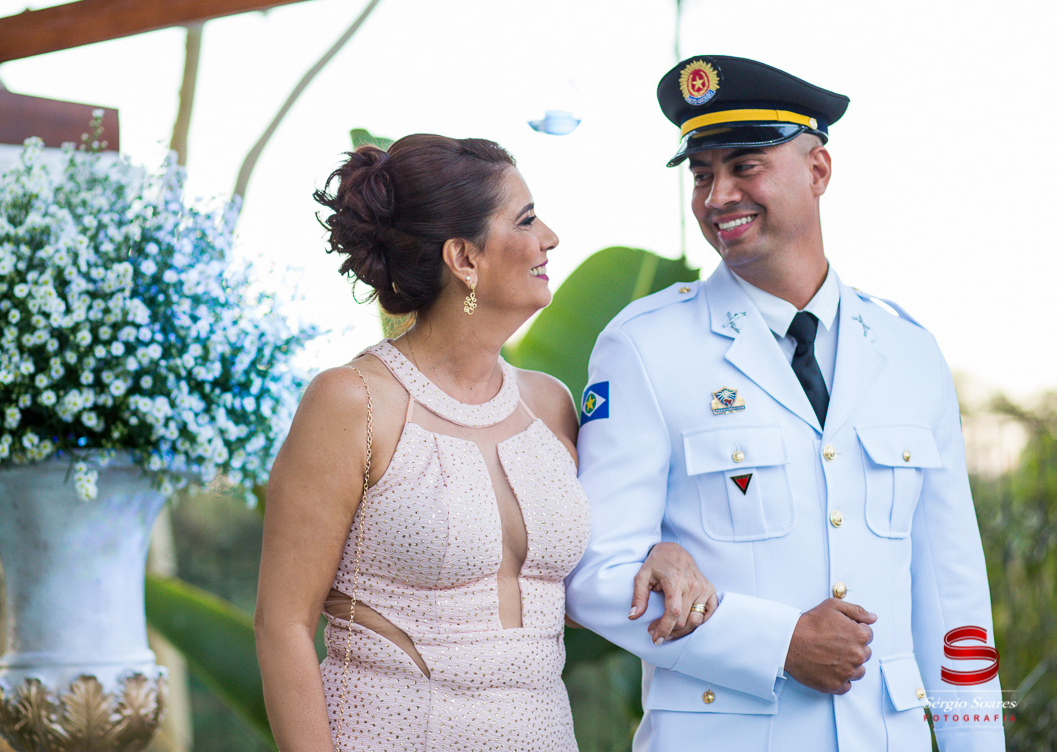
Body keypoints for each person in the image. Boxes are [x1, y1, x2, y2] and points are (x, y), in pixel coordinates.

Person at [565, 55, 1004, 752]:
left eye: (745, 166)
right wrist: (779, 642)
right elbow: (596, 577)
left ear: (819, 171)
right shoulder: (645, 347)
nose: (717, 196)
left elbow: (955, 600)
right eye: (702, 173)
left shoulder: (909, 352)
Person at [254, 133, 715, 752]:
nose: (549, 236)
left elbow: (572, 591)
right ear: (464, 259)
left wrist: (663, 555)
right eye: (525, 219)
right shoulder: (353, 401)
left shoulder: (549, 403)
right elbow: (282, 625)